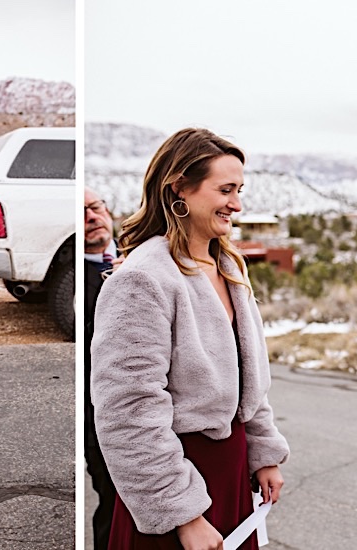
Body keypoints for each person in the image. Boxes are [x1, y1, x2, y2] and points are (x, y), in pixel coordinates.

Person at [90, 128, 290, 550]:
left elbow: (246, 376)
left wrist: (263, 452)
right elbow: (128, 408)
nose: (236, 203)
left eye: (239, 190)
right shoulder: (142, 279)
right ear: (180, 187)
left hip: (230, 472)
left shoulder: (228, 267)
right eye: (226, 189)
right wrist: (183, 514)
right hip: (174, 481)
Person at [83, 187, 120, 550]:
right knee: (114, 507)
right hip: (98, 416)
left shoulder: (139, 257)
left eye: (95, 207)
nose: (92, 217)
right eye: (82, 213)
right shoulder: (74, 282)